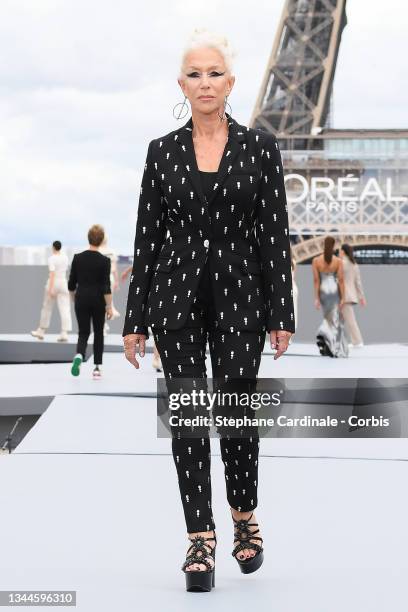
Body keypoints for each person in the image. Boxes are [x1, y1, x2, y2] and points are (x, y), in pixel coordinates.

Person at [122, 28, 295, 592]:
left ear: (231, 83)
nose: (205, 82)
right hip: (174, 300)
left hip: (243, 298)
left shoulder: (261, 148)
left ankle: (244, 518)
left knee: (239, 416)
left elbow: (274, 233)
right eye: (194, 74)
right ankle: (201, 538)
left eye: (214, 73)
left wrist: (281, 310)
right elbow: (147, 238)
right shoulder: (161, 152)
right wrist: (133, 319)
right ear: (182, 84)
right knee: (191, 419)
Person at [68, 224, 113, 379]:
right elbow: (106, 286)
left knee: (83, 332)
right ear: (101, 241)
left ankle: (79, 355)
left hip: (81, 298)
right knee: (99, 332)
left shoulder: (77, 258)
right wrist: (110, 306)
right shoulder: (105, 261)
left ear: (88, 238)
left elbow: (71, 284)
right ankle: (96, 368)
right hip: (98, 300)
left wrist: (74, 299)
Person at [312, 236, 349, 358]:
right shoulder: (338, 261)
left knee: (328, 318)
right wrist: (343, 297)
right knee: (335, 320)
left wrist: (316, 298)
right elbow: (341, 280)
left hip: (323, 290)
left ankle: (324, 340)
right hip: (334, 290)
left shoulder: (316, 261)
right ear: (333, 246)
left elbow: (316, 281)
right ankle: (331, 344)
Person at [121, 264, 162, 371]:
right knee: (158, 332)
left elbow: (140, 261)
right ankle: (156, 358)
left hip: (147, 296)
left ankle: (156, 358)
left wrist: (126, 271)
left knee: (156, 332)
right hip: (158, 295)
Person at [31, 240, 72, 342]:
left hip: (54, 282)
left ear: (53, 247)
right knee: (65, 308)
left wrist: (50, 289)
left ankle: (41, 331)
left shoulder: (51, 259)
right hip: (63, 282)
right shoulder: (65, 258)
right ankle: (64, 333)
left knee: (47, 308)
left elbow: (52, 274)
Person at [340, 243, 366, 347]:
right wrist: (361, 297)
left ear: (343, 251)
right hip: (350, 295)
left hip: (342, 296)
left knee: (349, 320)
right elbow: (358, 283)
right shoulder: (354, 264)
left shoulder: (341, 263)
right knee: (344, 319)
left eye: (340, 251)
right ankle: (354, 341)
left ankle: (357, 341)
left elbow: (338, 280)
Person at [99, 233, 121, 334]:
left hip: (100, 279)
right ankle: (104, 324)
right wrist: (117, 281)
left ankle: (103, 325)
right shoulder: (112, 252)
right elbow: (115, 268)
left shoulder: (98, 251)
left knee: (101, 303)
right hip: (110, 278)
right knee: (107, 302)